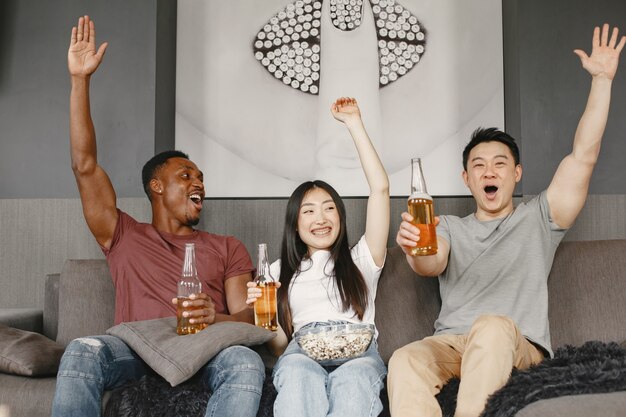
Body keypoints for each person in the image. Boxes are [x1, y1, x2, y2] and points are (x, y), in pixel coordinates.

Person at [388, 23, 625, 417]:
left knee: (493, 326)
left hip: (515, 344)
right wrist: (415, 248)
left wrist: (601, 81)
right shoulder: (447, 225)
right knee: (404, 359)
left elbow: (583, 156)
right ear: (467, 179)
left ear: (516, 174)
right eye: (478, 166)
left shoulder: (541, 218)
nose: (489, 172)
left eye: (500, 164)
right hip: (452, 345)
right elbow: (432, 261)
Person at [52, 16, 265, 417]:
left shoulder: (227, 247)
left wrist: (213, 317)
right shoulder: (122, 234)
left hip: (204, 348)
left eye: (201, 177)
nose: (198, 182)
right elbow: (84, 165)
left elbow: (247, 319)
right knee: (82, 351)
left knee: (245, 362)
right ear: (157, 187)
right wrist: (80, 81)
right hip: (135, 348)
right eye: (186, 175)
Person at [246, 97, 390, 417]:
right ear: (296, 227)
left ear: (340, 217)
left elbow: (380, 189)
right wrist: (263, 311)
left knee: (353, 383)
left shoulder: (362, 260)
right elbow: (280, 346)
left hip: (359, 357)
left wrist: (354, 124)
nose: (320, 218)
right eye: (308, 211)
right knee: (296, 373)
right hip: (301, 354)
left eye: (329, 208)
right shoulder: (278, 270)